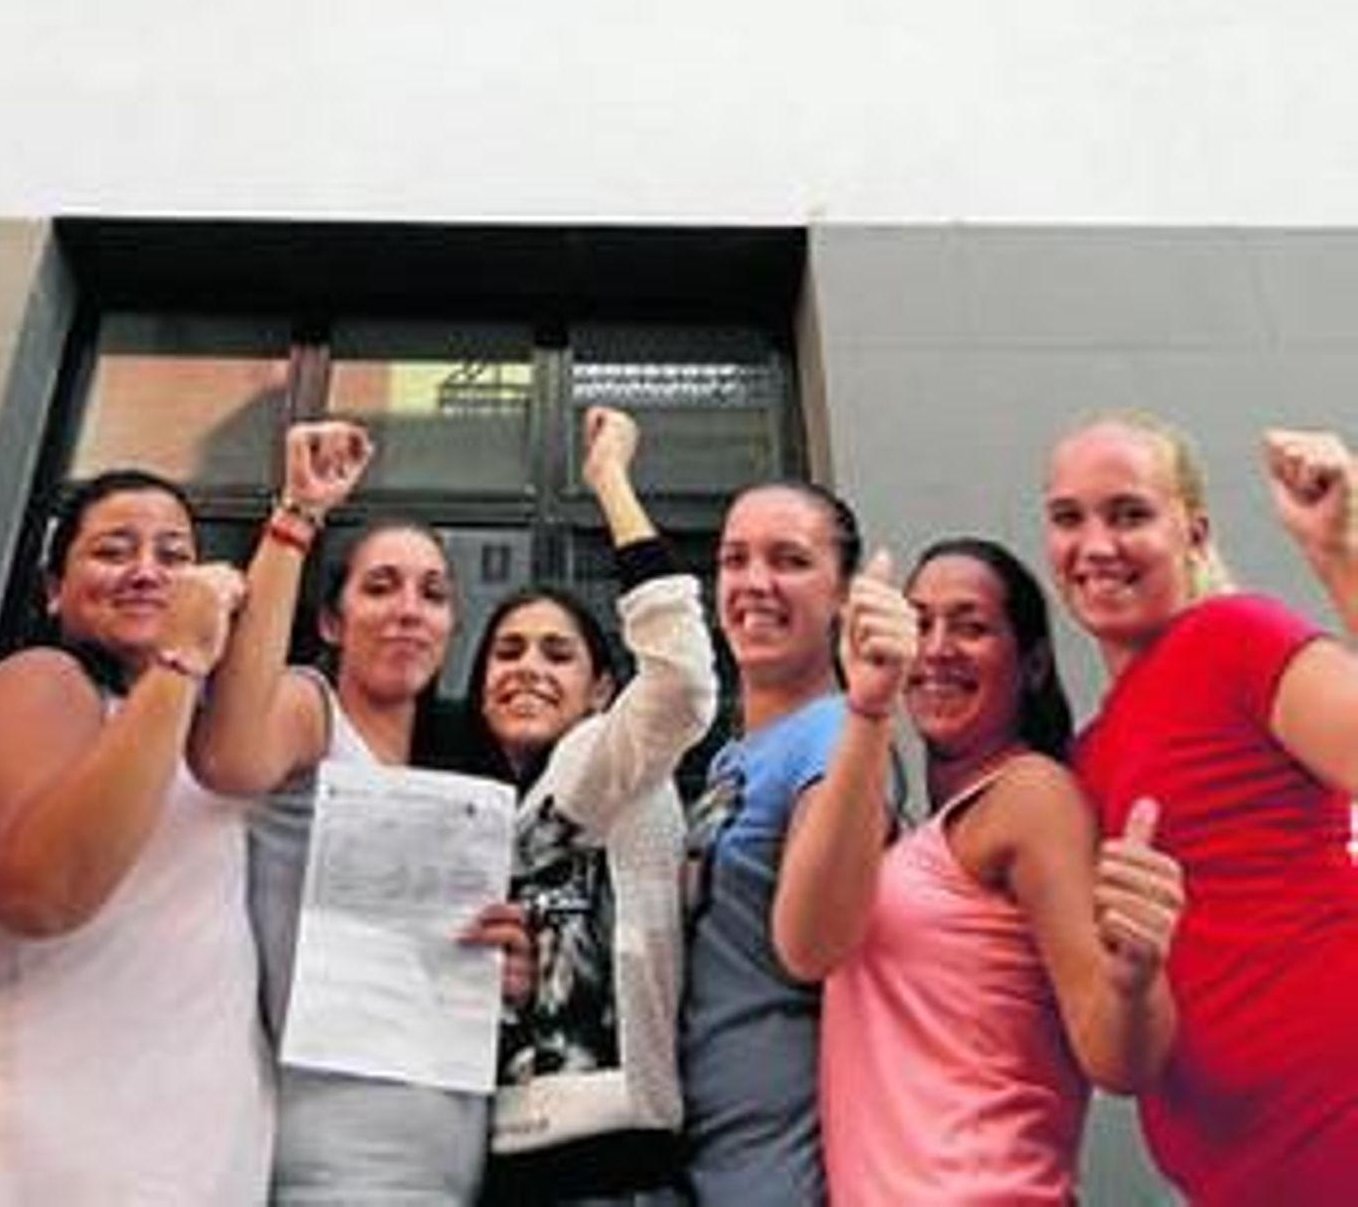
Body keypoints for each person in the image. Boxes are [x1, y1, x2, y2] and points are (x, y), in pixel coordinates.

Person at [0, 465, 269, 1204]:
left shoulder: (216, 741)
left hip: (188, 1162)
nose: (148, 571)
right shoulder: (39, 681)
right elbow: (43, 890)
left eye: (174, 555)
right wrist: (178, 663)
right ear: (54, 588)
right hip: (17, 1152)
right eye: (114, 550)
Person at [774, 538, 1183, 1204]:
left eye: (970, 627)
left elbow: (1118, 1057)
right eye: (920, 622)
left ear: (1032, 663)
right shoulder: (917, 837)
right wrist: (869, 703)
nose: (936, 649)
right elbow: (808, 945)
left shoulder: (1032, 796)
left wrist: (1135, 982)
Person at [193, 418, 523, 1206]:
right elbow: (232, 754)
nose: (410, 609)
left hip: (452, 1159)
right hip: (328, 1163)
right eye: (381, 587)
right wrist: (296, 518)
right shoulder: (311, 712)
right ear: (332, 623)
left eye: (433, 594)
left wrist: (503, 963)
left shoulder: (454, 787)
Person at [1044, 413, 1358, 1206]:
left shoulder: (1234, 637)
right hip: (1233, 1175)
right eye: (1068, 518)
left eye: (1129, 514)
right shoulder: (1082, 762)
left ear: (1193, 530)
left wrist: (1338, 555)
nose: (1096, 545)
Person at [464, 406, 717, 1206]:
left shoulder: (609, 757)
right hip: (498, 1165)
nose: (527, 669)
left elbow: (678, 680)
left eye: (557, 652)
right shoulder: (483, 824)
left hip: (615, 1169)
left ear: (602, 688)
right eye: (506, 652)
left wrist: (609, 480)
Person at [675, 475, 861, 1204]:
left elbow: (816, 941)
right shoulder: (730, 757)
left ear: (843, 592)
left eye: (789, 560)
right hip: (704, 1138)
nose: (755, 583)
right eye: (734, 559)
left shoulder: (840, 734)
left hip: (787, 1145)